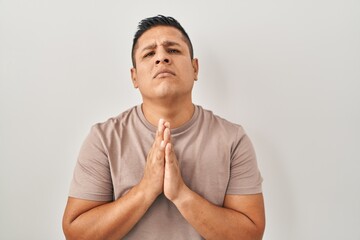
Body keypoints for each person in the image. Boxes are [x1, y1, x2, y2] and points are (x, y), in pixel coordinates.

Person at [62, 15, 265, 240]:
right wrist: (146, 188)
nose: (162, 57)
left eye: (173, 51)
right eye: (149, 53)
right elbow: (76, 234)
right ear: (134, 77)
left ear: (195, 68)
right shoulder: (103, 138)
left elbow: (250, 235)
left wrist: (181, 194)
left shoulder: (232, 139)